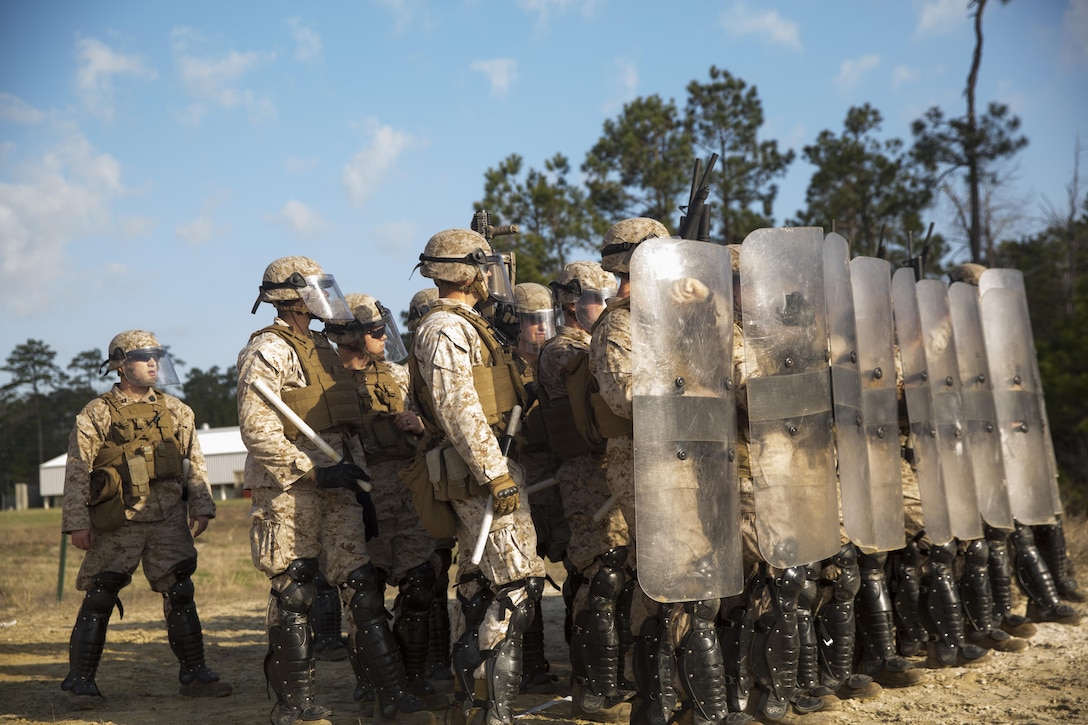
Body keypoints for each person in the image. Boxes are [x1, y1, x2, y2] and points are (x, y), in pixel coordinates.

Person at [238, 256, 430, 725]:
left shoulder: (324, 348)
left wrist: (358, 484)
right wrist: (312, 473)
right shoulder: (268, 349)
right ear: (292, 296)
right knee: (295, 592)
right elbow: (257, 428)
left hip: (341, 484)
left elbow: (346, 429)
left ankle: (393, 696)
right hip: (291, 491)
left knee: (363, 590)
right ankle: (296, 707)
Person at [407, 228, 547, 725]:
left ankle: (477, 705)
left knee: (483, 586)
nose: (491, 277)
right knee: (517, 586)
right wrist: (494, 475)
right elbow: (459, 410)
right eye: (483, 267)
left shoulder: (469, 324)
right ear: (465, 272)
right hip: (480, 471)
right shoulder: (444, 329)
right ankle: (491, 711)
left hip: (490, 464)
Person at [60, 330, 231, 710]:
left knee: (181, 592)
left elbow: (194, 463)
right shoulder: (97, 412)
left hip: (168, 516)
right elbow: (77, 470)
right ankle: (80, 682)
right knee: (101, 595)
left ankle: (195, 674)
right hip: (118, 518)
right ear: (120, 365)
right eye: (143, 356)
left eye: (157, 355)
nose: (153, 363)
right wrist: (77, 522)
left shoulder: (178, 411)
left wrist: (201, 505)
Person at [325, 293, 444, 706]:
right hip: (361, 499)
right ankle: (374, 678)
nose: (382, 336)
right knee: (365, 593)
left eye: (382, 328)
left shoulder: (399, 376)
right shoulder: (325, 382)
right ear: (354, 335)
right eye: (375, 330)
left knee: (420, 583)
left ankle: (412, 676)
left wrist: (420, 425)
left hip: (409, 492)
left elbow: (438, 425)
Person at [539, 261, 632, 722]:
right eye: (598, 297)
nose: (606, 303)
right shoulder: (564, 349)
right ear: (573, 301)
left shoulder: (589, 343)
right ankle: (594, 688)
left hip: (605, 470)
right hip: (584, 476)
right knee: (601, 576)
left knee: (614, 574)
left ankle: (613, 676)